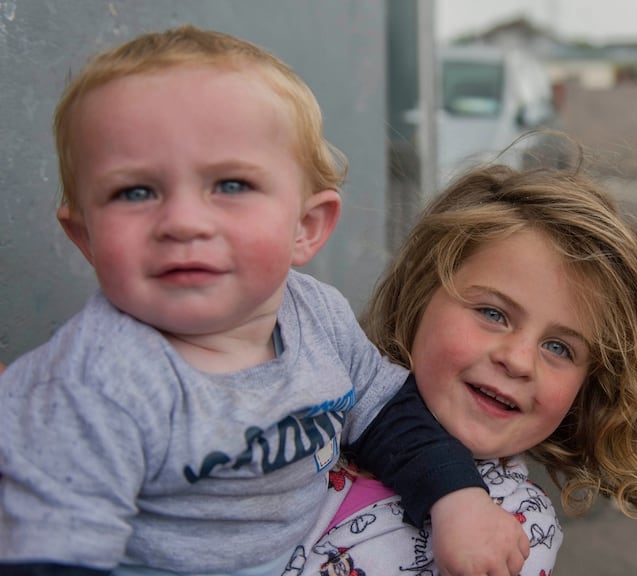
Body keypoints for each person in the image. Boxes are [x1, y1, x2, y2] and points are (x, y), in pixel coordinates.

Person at [0, 26, 528, 576]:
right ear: (85, 236)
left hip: (306, 544)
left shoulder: (316, 314)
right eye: (135, 192)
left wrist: (456, 499)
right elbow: (51, 559)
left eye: (230, 185)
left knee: (507, 517)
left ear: (306, 227)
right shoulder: (96, 384)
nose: (182, 221)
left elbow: (388, 415)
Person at [286, 160, 637, 575]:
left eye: (559, 348)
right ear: (419, 297)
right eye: (493, 314)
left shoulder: (518, 527)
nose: (518, 359)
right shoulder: (312, 393)